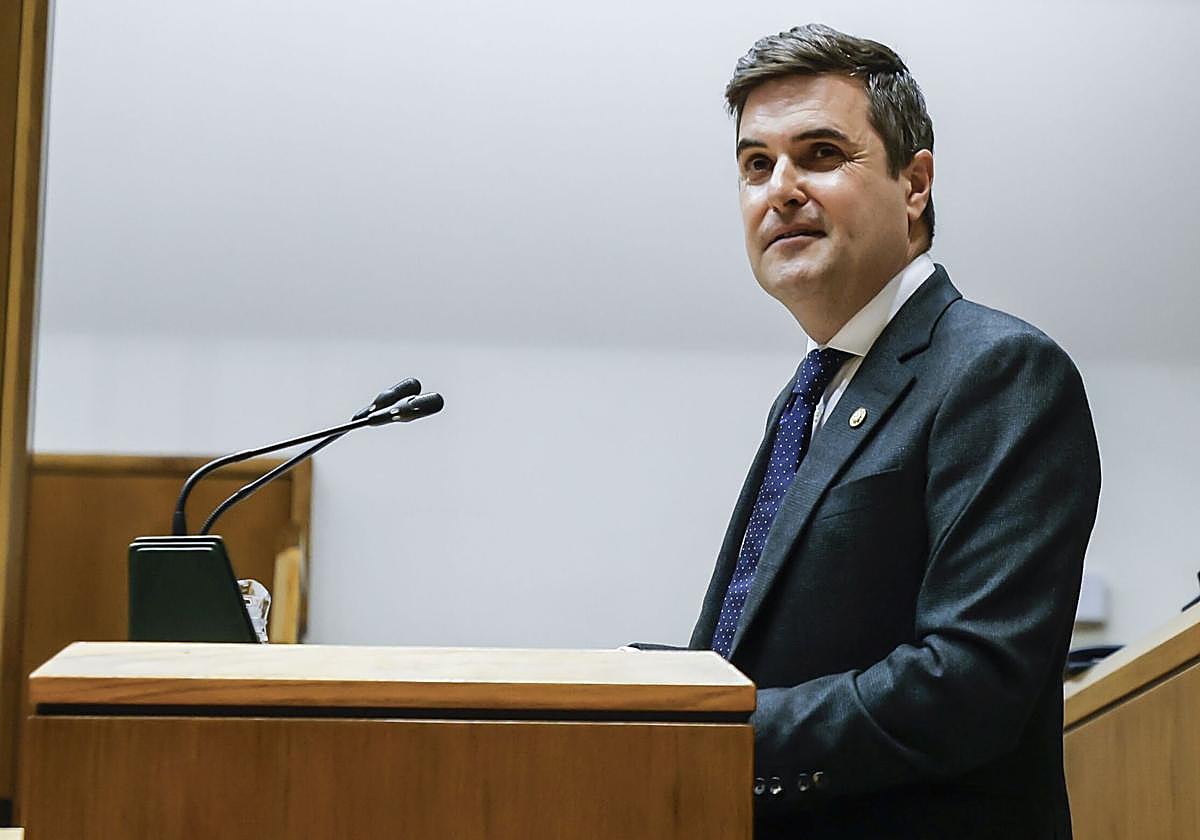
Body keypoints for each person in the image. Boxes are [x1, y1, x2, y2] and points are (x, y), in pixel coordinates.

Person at [687, 24, 1101, 839]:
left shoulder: (999, 369)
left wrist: (713, 735)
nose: (780, 188)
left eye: (820, 154)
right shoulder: (810, 394)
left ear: (915, 185)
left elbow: (970, 681)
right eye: (755, 164)